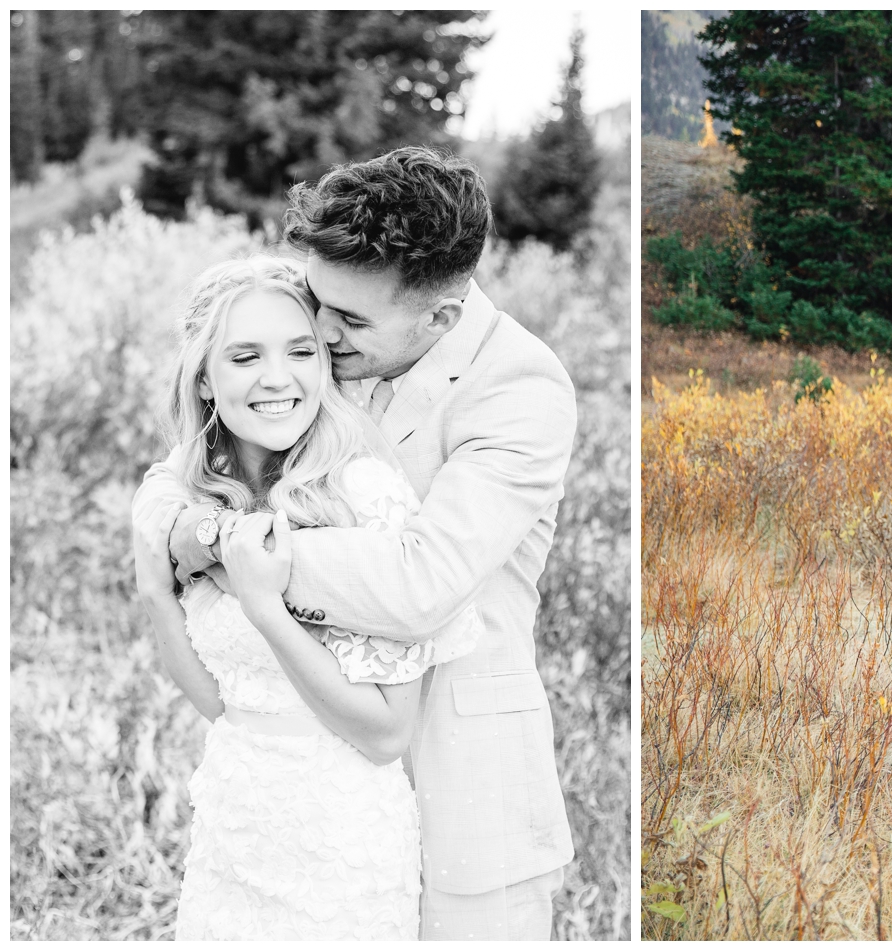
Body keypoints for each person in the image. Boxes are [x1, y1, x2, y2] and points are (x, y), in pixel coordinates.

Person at [132, 146, 577, 939]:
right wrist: (178, 524)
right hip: (304, 788)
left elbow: (419, 583)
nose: (321, 334)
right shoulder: (329, 343)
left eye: (349, 320)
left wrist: (231, 547)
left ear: (437, 316)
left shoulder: (520, 390)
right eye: (317, 301)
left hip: (458, 782)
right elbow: (196, 449)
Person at [131, 255, 483, 938]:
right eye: (244, 356)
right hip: (232, 821)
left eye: (301, 351)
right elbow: (223, 704)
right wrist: (155, 594)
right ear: (204, 376)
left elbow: (386, 734)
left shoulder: (366, 495)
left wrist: (267, 610)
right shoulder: (192, 491)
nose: (277, 377)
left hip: (340, 841)